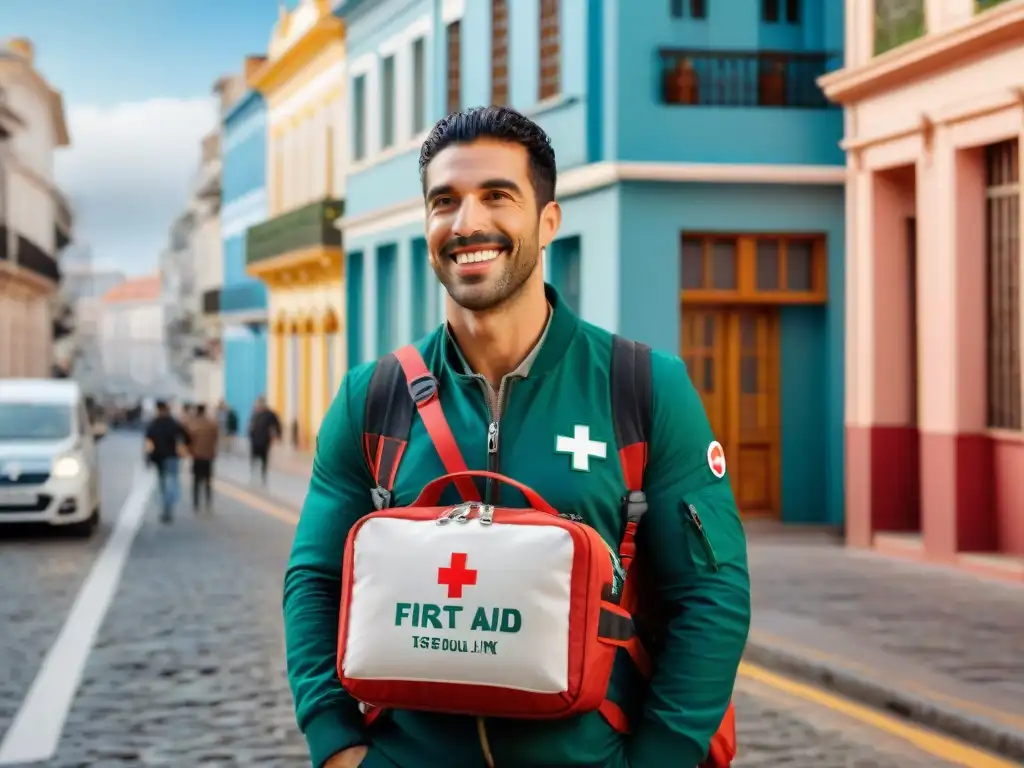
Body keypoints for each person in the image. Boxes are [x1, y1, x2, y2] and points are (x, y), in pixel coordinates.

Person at [283, 107, 751, 768]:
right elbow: (315, 579)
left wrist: (658, 760)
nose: (467, 222)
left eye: (496, 196)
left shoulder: (643, 388)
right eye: (444, 201)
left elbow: (712, 596)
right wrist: (336, 744)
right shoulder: (373, 397)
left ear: (548, 221)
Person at [144, 400, 191, 523]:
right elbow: (186, 436)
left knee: (163, 483)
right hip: (171, 456)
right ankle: (168, 508)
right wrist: (183, 447)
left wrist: (147, 458)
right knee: (171, 481)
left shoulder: (154, 424)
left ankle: (165, 508)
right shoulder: (173, 423)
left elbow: (148, 442)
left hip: (158, 457)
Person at [187, 403, 219, 514]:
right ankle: (208, 503)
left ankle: (196, 504)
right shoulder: (212, 424)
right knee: (208, 480)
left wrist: (190, 451)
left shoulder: (193, 424)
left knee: (196, 481)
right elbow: (215, 438)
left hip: (197, 455)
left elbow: (189, 440)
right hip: (209, 455)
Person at [248, 396, 280, 486]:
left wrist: (277, 435)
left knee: (264, 459)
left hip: (264, 441)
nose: (258, 405)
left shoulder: (269, 414)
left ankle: (263, 476)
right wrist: (250, 433)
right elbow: (251, 425)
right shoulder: (255, 413)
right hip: (255, 441)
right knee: (254, 459)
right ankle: (253, 475)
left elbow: (276, 424)